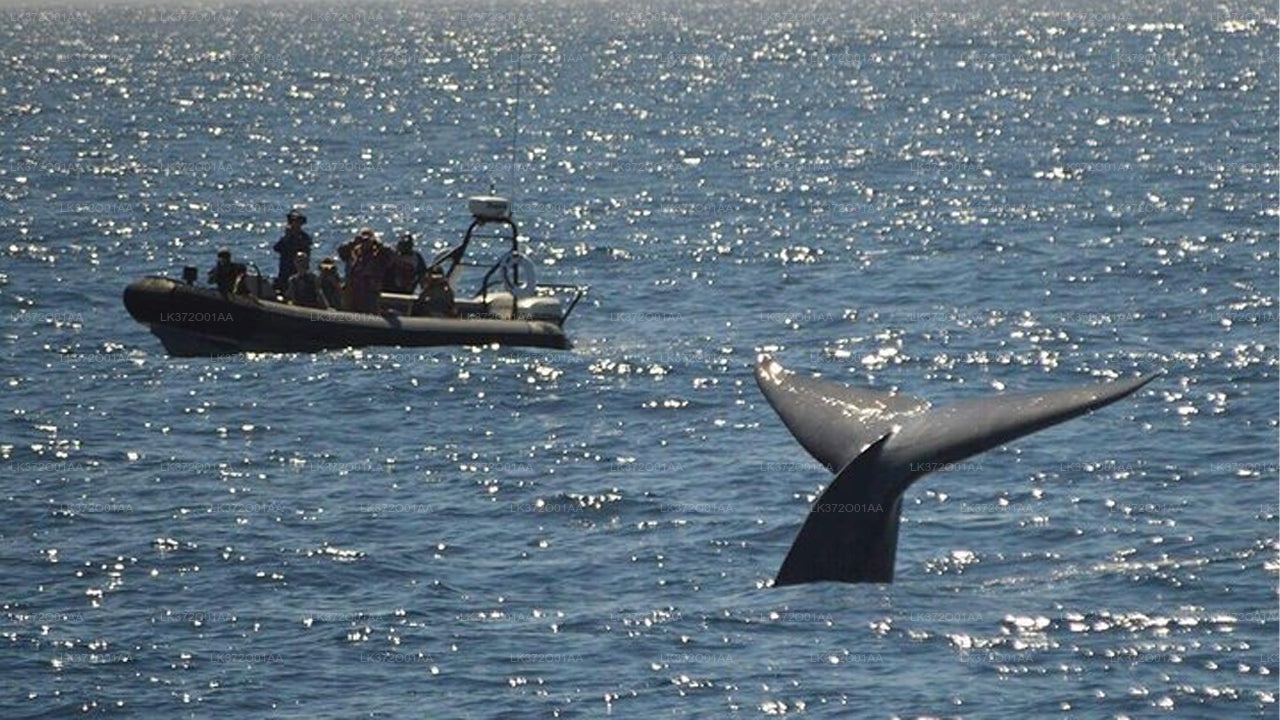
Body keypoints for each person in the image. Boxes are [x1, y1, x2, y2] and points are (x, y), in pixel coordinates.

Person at [342, 228, 394, 313]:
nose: (365, 241)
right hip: (352, 293)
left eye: (367, 239)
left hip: (370, 294)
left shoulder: (378, 257)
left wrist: (377, 243)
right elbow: (341, 250)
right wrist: (353, 242)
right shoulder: (353, 254)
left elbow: (391, 253)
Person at [272, 209, 312, 294]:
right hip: (285, 268)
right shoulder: (287, 238)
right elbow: (277, 248)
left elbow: (306, 251)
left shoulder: (304, 237)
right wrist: (287, 237)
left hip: (298, 269)